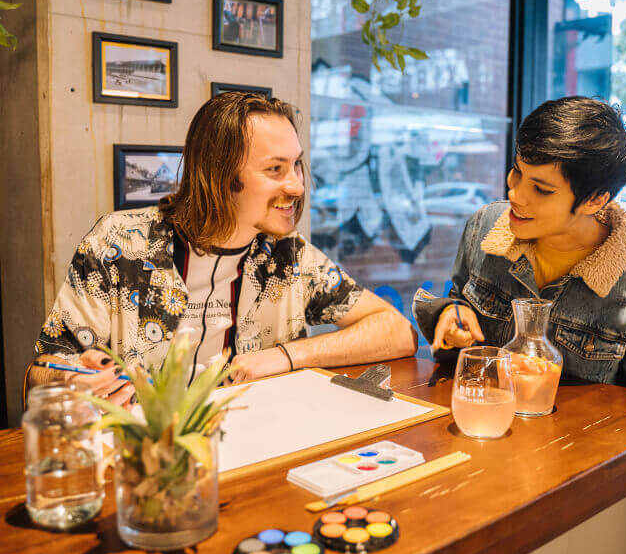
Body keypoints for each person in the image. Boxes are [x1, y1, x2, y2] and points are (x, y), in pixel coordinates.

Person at [29, 93, 417, 408]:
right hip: (142, 462)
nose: (298, 186)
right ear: (220, 175)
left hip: (254, 450)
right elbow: (38, 374)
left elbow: (397, 332)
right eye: (275, 169)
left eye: (296, 165)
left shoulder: (288, 255)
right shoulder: (120, 243)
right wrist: (70, 377)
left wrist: (286, 356)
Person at [413, 96, 626, 396]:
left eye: (541, 189)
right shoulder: (485, 226)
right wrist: (451, 316)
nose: (516, 194)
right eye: (517, 171)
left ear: (595, 200)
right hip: (482, 421)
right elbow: (460, 307)